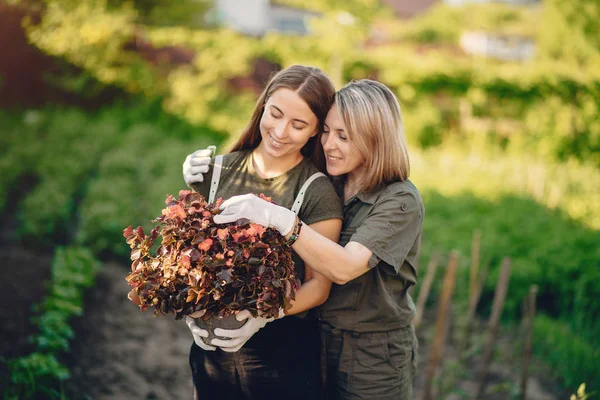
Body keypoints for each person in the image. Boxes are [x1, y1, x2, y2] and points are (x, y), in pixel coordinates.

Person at [184, 79, 424, 400]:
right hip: (317, 337)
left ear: (376, 140)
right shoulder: (333, 183)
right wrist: (206, 178)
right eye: (327, 131)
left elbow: (344, 267)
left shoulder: (399, 200)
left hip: (371, 352)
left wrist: (283, 220)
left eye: (344, 137)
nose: (329, 145)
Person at [183, 65, 343, 399]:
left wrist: (261, 315)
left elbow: (318, 286)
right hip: (211, 353)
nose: (281, 131)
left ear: (316, 131)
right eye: (275, 114)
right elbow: (193, 258)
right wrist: (192, 308)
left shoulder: (316, 190)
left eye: (298, 125)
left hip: (281, 357)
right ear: (263, 105)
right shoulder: (218, 172)